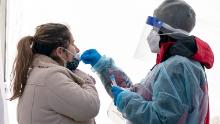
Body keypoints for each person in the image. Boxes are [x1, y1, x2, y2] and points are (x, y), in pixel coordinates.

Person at [80, 0, 214, 124]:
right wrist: (103, 67)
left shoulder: (176, 67)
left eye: (154, 28)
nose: (151, 33)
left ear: (165, 30)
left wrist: (126, 100)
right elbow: (134, 93)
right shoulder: (179, 64)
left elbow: (163, 119)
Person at [10, 23, 100, 124]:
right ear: (60, 51)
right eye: (73, 44)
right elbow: (90, 107)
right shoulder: (51, 77)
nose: (77, 49)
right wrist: (86, 80)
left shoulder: (38, 73)